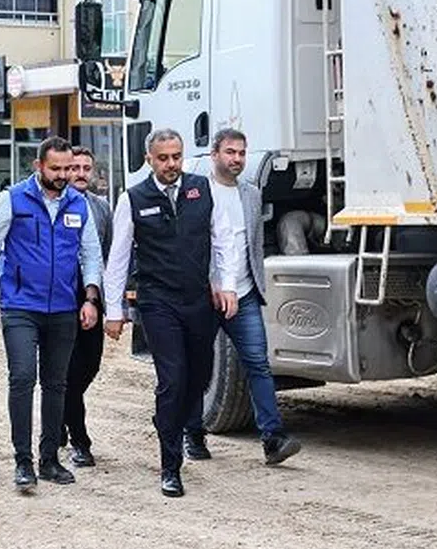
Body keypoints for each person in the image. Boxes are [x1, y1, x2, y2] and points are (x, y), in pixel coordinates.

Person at [0, 137, 103, 492]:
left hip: (63, 309)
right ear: (38, 166)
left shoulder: (78, 204)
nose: (63, 175)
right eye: (55, 168)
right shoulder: (13, 199)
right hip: (20, 307)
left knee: (56, 384)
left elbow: (91, 255)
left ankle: (49, 459)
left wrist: (90, 299)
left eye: (67, 168)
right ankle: (23, 461)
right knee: (23, 377)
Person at [103, 128, 215, 498]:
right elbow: (118, 257)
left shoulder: (202, 188)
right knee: (173, 379)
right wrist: (114, 309)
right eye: (163, 158)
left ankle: (169, 419)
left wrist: (225, 283)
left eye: (176, 157)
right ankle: (170, 466)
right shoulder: (133, 198)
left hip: (198, 300)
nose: (171, 164)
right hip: (157, 301)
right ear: (149, 159)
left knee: (199, 376)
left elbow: (221, 239)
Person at [197, 127, 301, 466]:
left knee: (258, 364)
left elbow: (253, 243)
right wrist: (209, 283)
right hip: (206, 296)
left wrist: (255, 285)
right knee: (198, 368)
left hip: (244, 295)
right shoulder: (198, 192)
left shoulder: (252, 195)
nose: (237, 159)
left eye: (241, 153)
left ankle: (273, 438)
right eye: (230, 152)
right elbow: (196, 245)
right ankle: (192, 434)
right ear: (214, 154)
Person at [61, 147, 113, 467]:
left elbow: (109, 254)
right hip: (61, 297)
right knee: (66, 371)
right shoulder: (56, 203)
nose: (81, 173)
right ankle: (80, 440)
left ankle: (60, 413)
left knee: (89, 365)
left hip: (93, 296)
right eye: (75, 167)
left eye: (86, 168)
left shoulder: (101, 207)